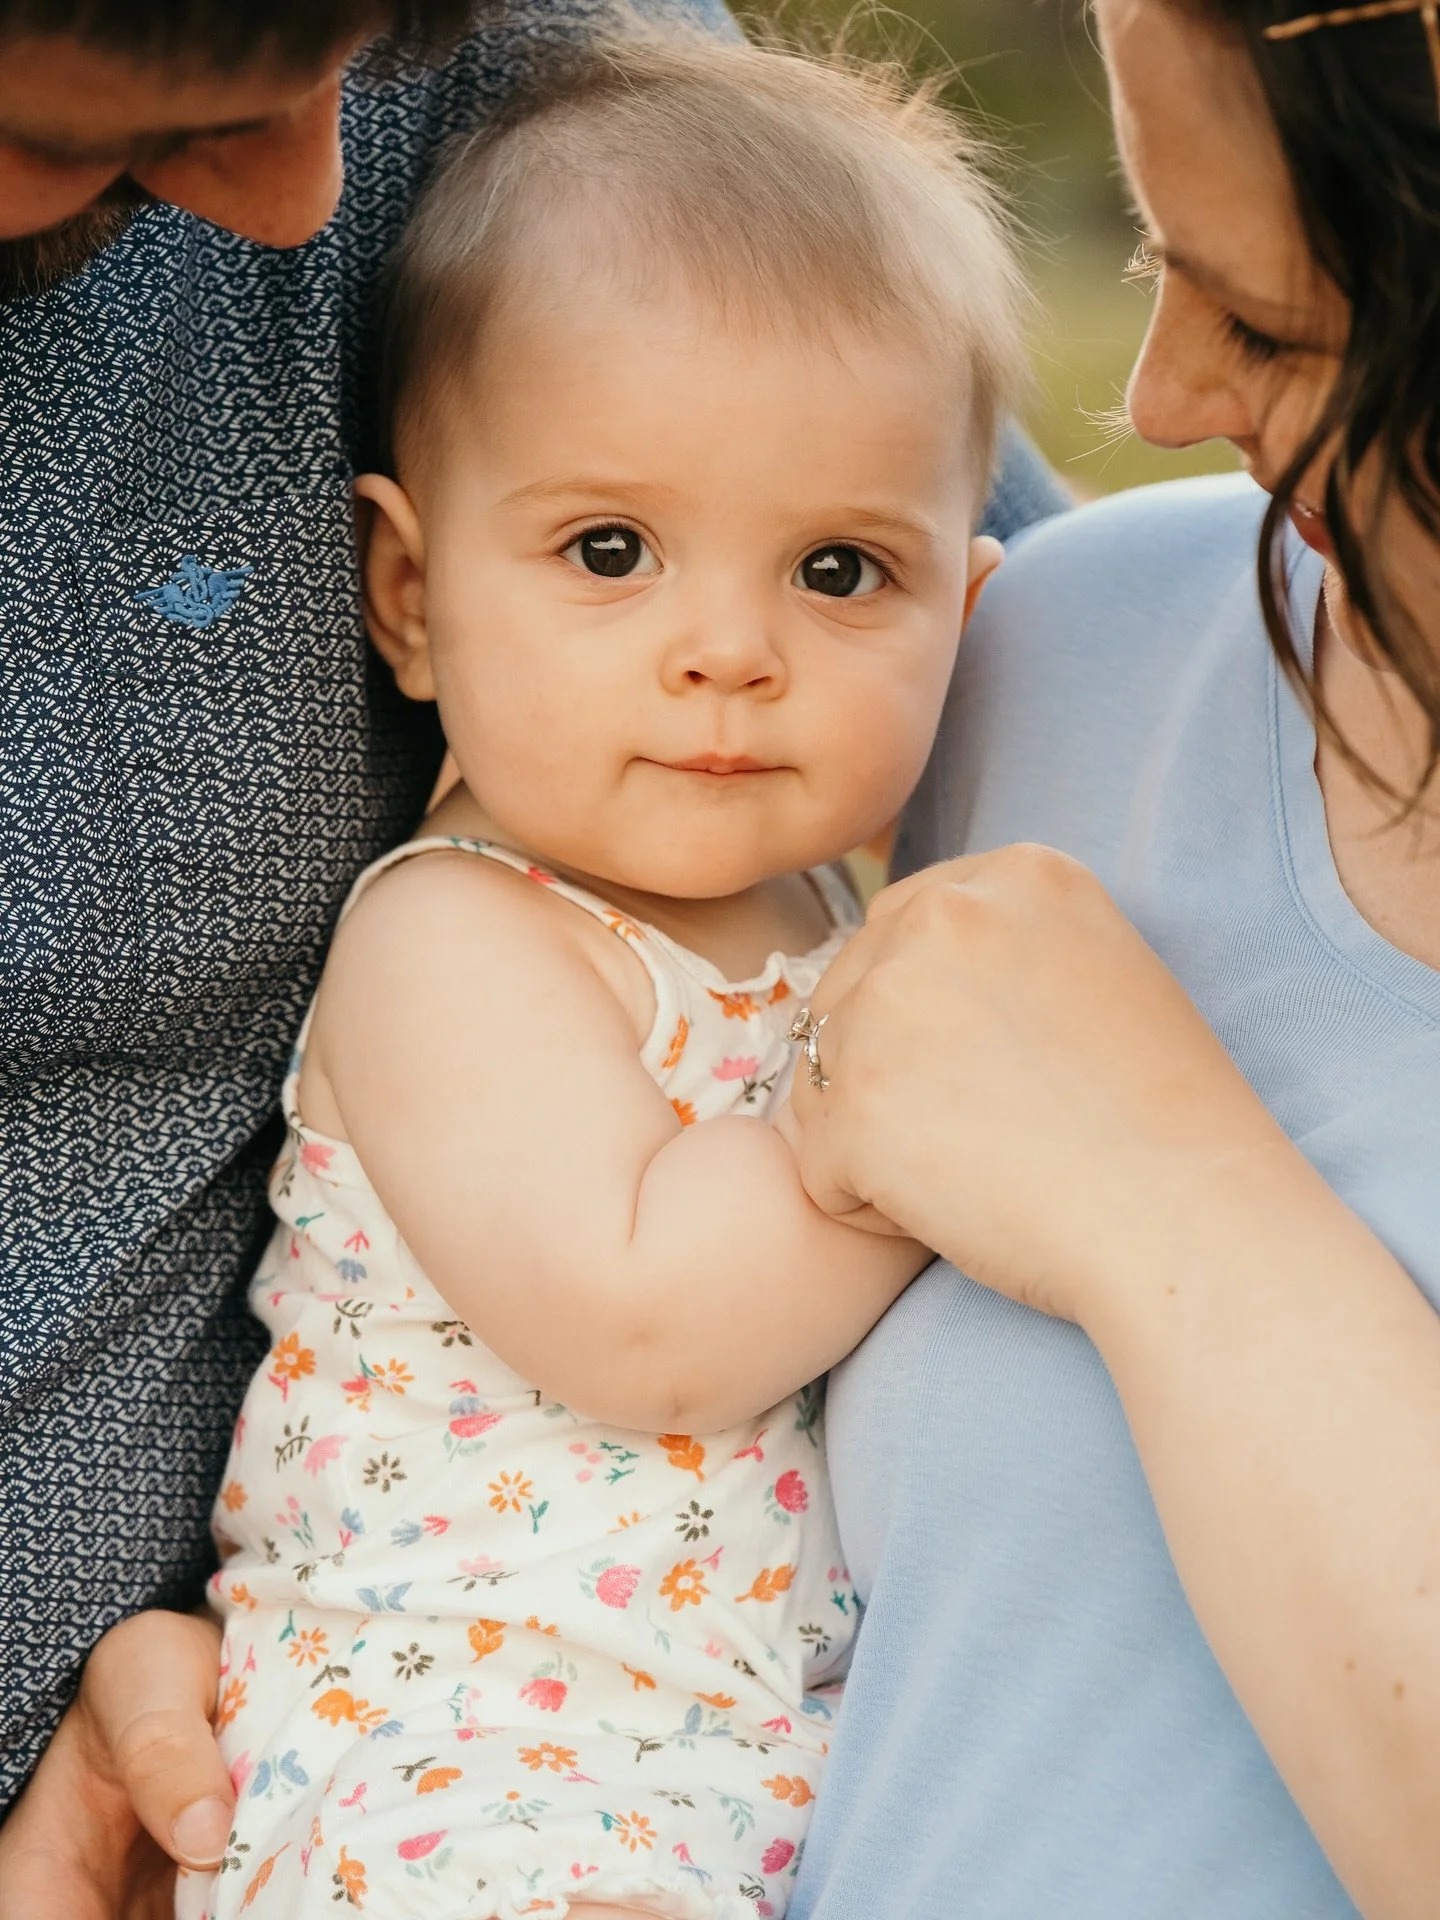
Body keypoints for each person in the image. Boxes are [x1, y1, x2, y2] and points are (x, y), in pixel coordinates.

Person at [0, 0, 1064, 1902]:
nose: (728, 650)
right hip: (474, 1770)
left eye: (839, 574)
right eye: (607, 553)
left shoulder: (823, 913)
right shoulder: (456, 945)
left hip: (719, 1747)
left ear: (967, 610)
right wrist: (968, 1115)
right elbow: (644, 1316)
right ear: (407, 593)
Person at [779, 2, 1440, 1917]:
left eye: (1277, 322)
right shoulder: (1066, 639)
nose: (1155, 397)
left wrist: (1157, 1185)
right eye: (1163, 260)